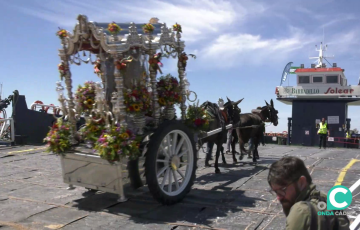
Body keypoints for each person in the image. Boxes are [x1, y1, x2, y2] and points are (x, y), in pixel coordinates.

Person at [267, 156, 350, 229]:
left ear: (301, 182)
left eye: (282, 190)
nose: (278, 197)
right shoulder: (327, 200)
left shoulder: (301, 211)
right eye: (275, 192)